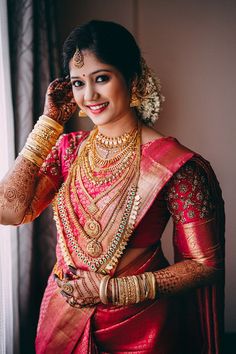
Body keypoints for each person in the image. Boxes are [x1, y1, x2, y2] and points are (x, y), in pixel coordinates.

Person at [0, 20, 224, 354]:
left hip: (139, 325)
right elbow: (9, 211)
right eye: (78, 83)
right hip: (62, 314)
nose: (88, 95)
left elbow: (205, 266)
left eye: (101, 78)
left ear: (132, 79)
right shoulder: (68, 150)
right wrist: (47, 124)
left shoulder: (179, 166)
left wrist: (115, 291)